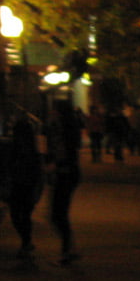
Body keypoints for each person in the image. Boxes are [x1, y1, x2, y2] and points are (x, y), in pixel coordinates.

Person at [45, 99, 83, 265]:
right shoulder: (61, 128)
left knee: (58, 214)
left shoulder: (64, 130)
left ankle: (68, 250)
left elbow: (66, 153)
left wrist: (56, 165)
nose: (51, 113)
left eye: (54, 110)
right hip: (66, 174)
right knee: (59, 214)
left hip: (66, 174)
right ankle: (69, 249)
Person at [5, 116, 44, 258]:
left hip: (23, 184)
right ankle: (26, 241)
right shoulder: (27, 149)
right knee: (21, 215)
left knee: (20, 215)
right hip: (23, 185)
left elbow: (36, 170)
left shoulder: (25, 150)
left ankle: (26, 242)